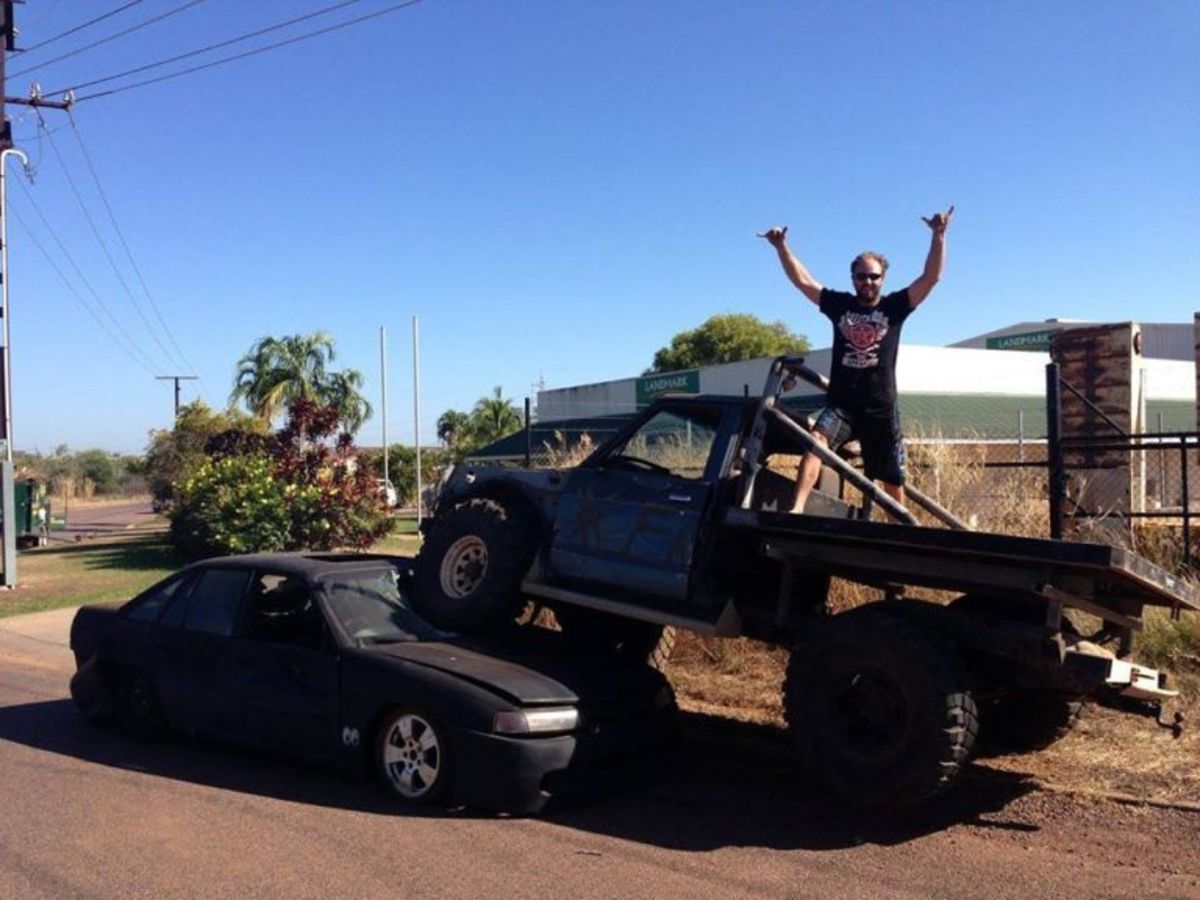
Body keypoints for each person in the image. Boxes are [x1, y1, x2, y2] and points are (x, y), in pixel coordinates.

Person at [759, 207, 954, 513]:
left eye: (873, 276)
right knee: (815, 443)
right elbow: (804, 281)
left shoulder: (895, 307)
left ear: (883, 278)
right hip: (842, 405)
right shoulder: (839, 306)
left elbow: (931, 278)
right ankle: (795, 511)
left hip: (880, 407)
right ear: (853, 278)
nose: (868, 282)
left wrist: (938, 236)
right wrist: (781, 247)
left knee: (891, 478)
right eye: (861, 276)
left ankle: (898, 536)